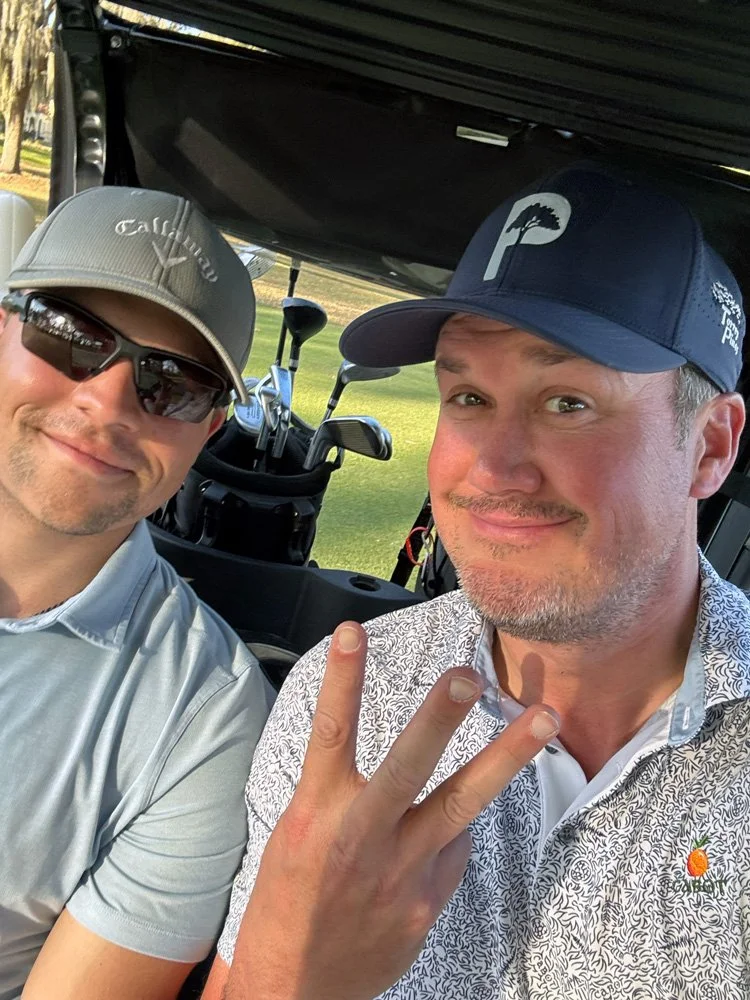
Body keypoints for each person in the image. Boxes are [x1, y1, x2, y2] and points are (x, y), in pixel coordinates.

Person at [204, 161, 750, 1000]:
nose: (492, 469)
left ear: (709, 447)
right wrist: (290, 978)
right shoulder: (348, 701)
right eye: (466, 397)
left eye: (567, 402)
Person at [0, 185, 274, 1000]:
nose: (110, 400)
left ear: (209, 430)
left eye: (174, 382)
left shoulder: (206, 717)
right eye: (71, 335)